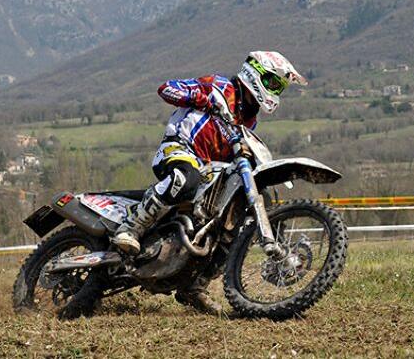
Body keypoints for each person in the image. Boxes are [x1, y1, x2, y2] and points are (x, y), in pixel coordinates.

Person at [112, 50, 307, 314]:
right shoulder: (217, 86)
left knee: (233, 225)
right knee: (185, 179)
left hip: (211, 169)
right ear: (256, 73)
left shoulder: (249, 119)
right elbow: (166, 89)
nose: (275, 91)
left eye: (279, 88)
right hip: (179, 149)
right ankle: (131, 228)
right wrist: (200, 98)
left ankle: (195, 286)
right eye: (273, 83)